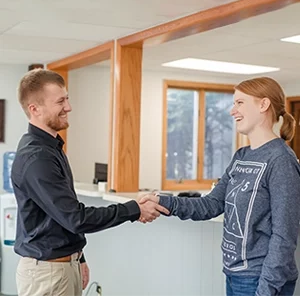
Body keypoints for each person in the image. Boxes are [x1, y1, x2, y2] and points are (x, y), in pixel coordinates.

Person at [11, 68, 169, 296]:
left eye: (67, 99)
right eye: (60, 102)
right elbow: (75, 218)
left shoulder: (51, 148)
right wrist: (134, 209)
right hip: (48, 273)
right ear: (34, 109)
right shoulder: (37, 158)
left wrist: (78, 256)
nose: (68, 107)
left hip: (63, 266)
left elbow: (60, 214)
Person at [140, 77, 300, 296]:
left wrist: (265, 290)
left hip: (261, 280)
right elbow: (211, 204)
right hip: (235, 275)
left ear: (263, 105)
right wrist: (162, 201)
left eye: (240, 103)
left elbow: (284, 236)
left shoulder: (281, 161)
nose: (232, 111)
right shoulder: (241, 156)